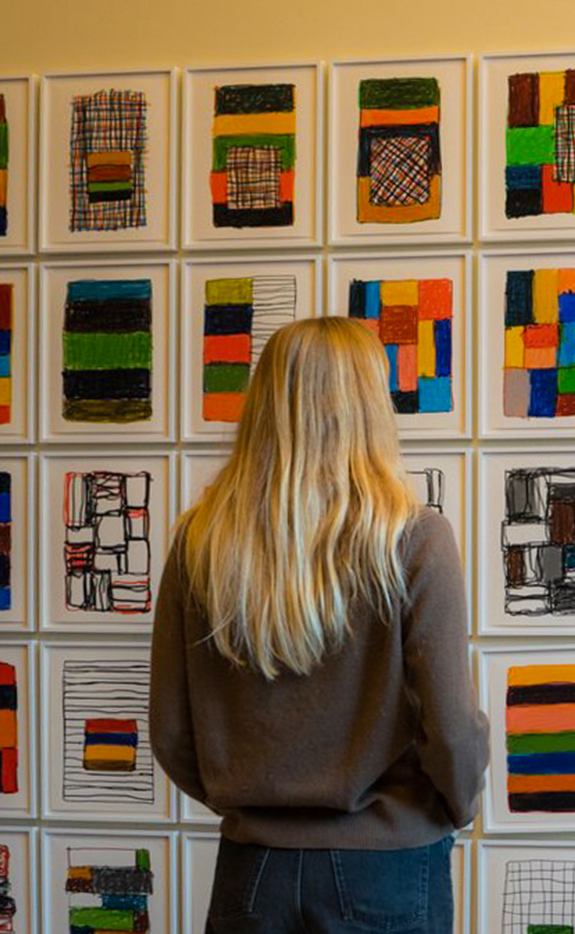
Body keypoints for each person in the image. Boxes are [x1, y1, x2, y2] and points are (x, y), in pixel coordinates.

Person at [151, 316, 488, 934]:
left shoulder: (199, 543)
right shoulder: (413, 540)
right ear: (369, 407)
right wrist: (451, 806)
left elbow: (173, 734)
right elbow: (453, 729)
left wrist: (258, 804)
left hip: (251, 873)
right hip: (388, 868)